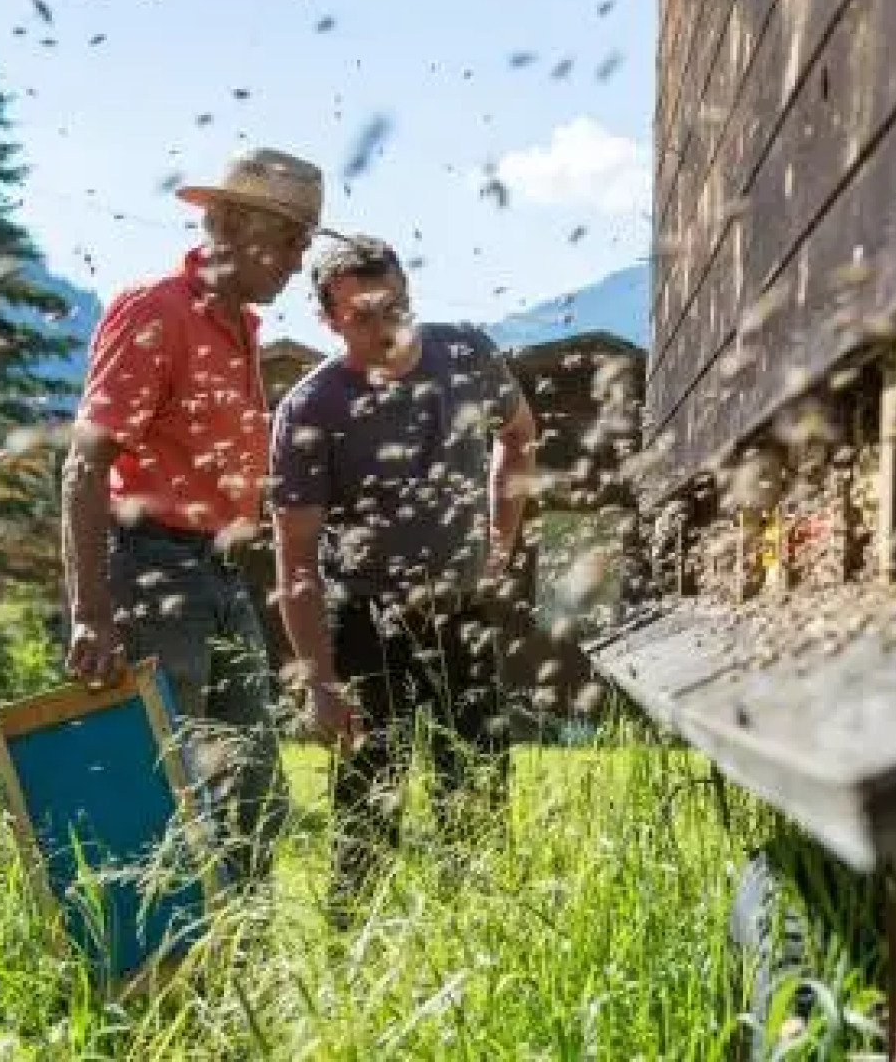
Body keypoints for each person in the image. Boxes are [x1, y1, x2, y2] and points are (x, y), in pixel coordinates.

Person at [59, 148, 325, 886]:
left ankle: (239, 972)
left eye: (307, 243)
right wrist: (91, 614)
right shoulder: (156, 309)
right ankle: (152, 977)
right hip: (147, 574)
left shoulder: (239, 325)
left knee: (255, 797)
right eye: (292, 240)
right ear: (231, 222)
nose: (299, 264)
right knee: (162, 796)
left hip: (216, 574)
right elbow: (85, 465)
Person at [270, 233, 537, 896]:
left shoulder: (467, 354)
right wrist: (321, 684)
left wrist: (501, 544)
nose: (382, 327)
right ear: (329, 320)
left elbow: (520, 436)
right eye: (360, 317)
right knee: (365, 812)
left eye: (391, 306)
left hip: (463, 612)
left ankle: (479, 944)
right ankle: (356, 958)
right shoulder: (310, 408)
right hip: (364, 624)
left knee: (476, 799)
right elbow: (297, 558)